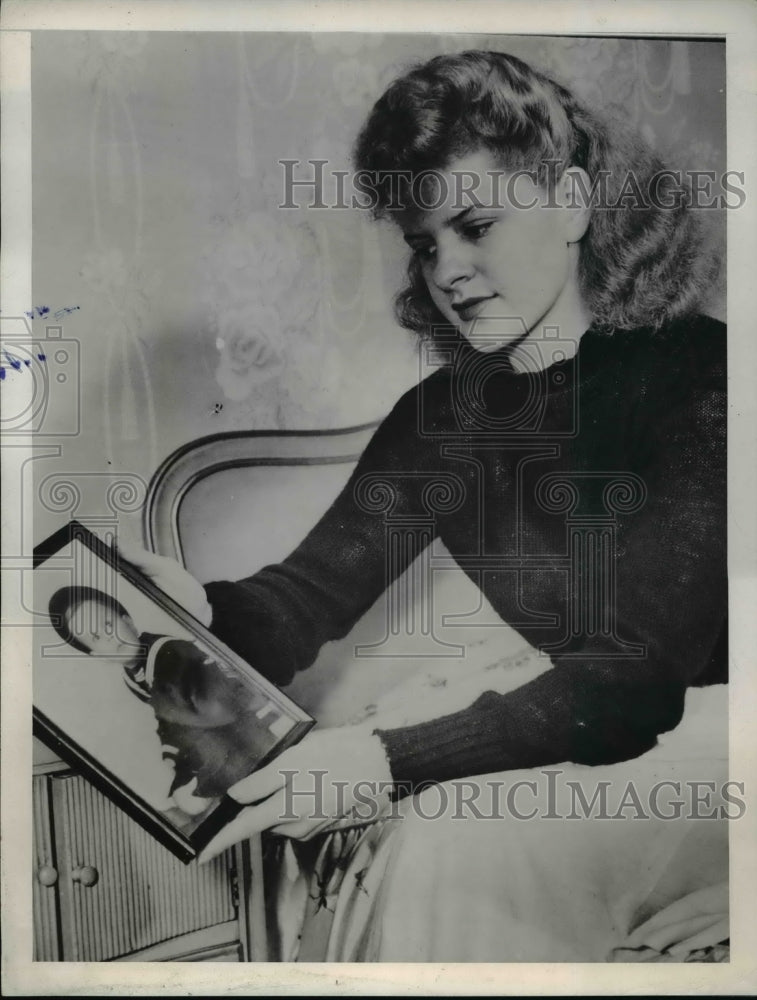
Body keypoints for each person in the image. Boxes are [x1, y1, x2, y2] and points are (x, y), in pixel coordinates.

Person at [120, 50, 728, 960]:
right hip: (602, 732)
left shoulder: (703, 379)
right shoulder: (441, 419)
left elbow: (631, 680)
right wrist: (198, 614)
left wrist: (380, 762)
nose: (448, 270)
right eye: (424, 242)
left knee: (451, 846)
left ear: (570, 203)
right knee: (441, 842)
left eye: (475, 226)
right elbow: (302, 599)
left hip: (718, 741)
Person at [48, 586, 294, 814]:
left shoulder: (166, 651)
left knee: (206, 781)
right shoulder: (132, 676)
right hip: (207, 723)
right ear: (98, 656)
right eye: (96, 637)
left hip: (238, 713)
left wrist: (176, 761)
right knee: (187, 785)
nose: (110, 637)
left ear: (128, 621)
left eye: (108, 624)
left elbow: (173, 715)